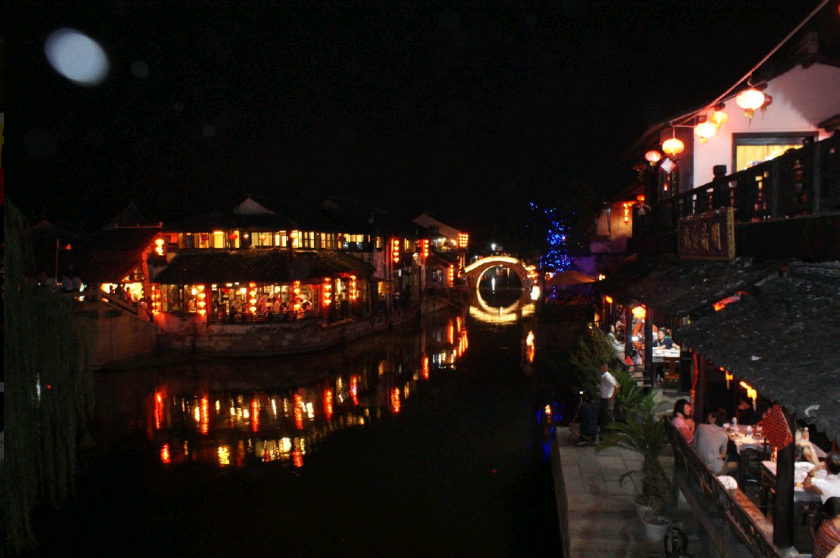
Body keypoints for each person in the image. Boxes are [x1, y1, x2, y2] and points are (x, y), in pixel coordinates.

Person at [693, 408, 737, 475]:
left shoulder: (700, 427)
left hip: (698, 463)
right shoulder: (724, 436)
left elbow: (694, 444)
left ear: (714, 419)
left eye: (709, 416)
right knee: (736, 464)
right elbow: (723, 455)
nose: (708, 416)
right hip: (714, 468)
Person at [599, 362, 620, 434]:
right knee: (604, 416)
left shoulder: (607, 376)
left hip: (607, 399)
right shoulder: (605, 376)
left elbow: (616, 386)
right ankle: (605, 432)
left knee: (608, 417)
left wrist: (611, 397)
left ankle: (611, 433)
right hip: (605, 398)